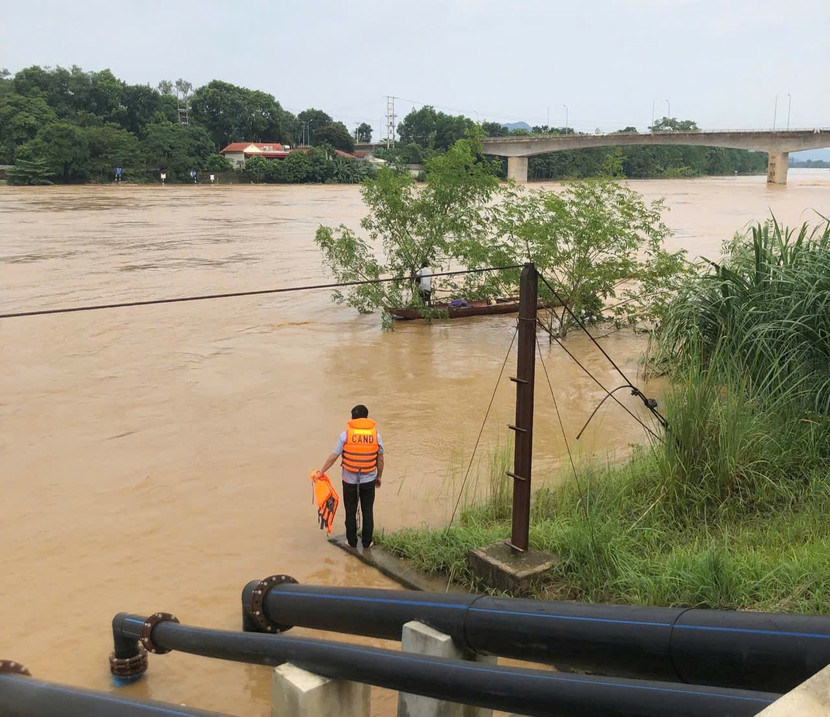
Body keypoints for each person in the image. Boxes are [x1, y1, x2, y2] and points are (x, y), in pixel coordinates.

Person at [319, 405, 384, 549]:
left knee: (350, 511)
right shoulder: (376, 436)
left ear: (352, 418)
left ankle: (351, 542)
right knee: (367, 511)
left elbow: (333, 457)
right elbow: (380, 459)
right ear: (366, 418)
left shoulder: (345, 435)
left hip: (349, 482)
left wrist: (321, 472)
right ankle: (367, 543)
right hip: (369, 481)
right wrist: (379, 477)